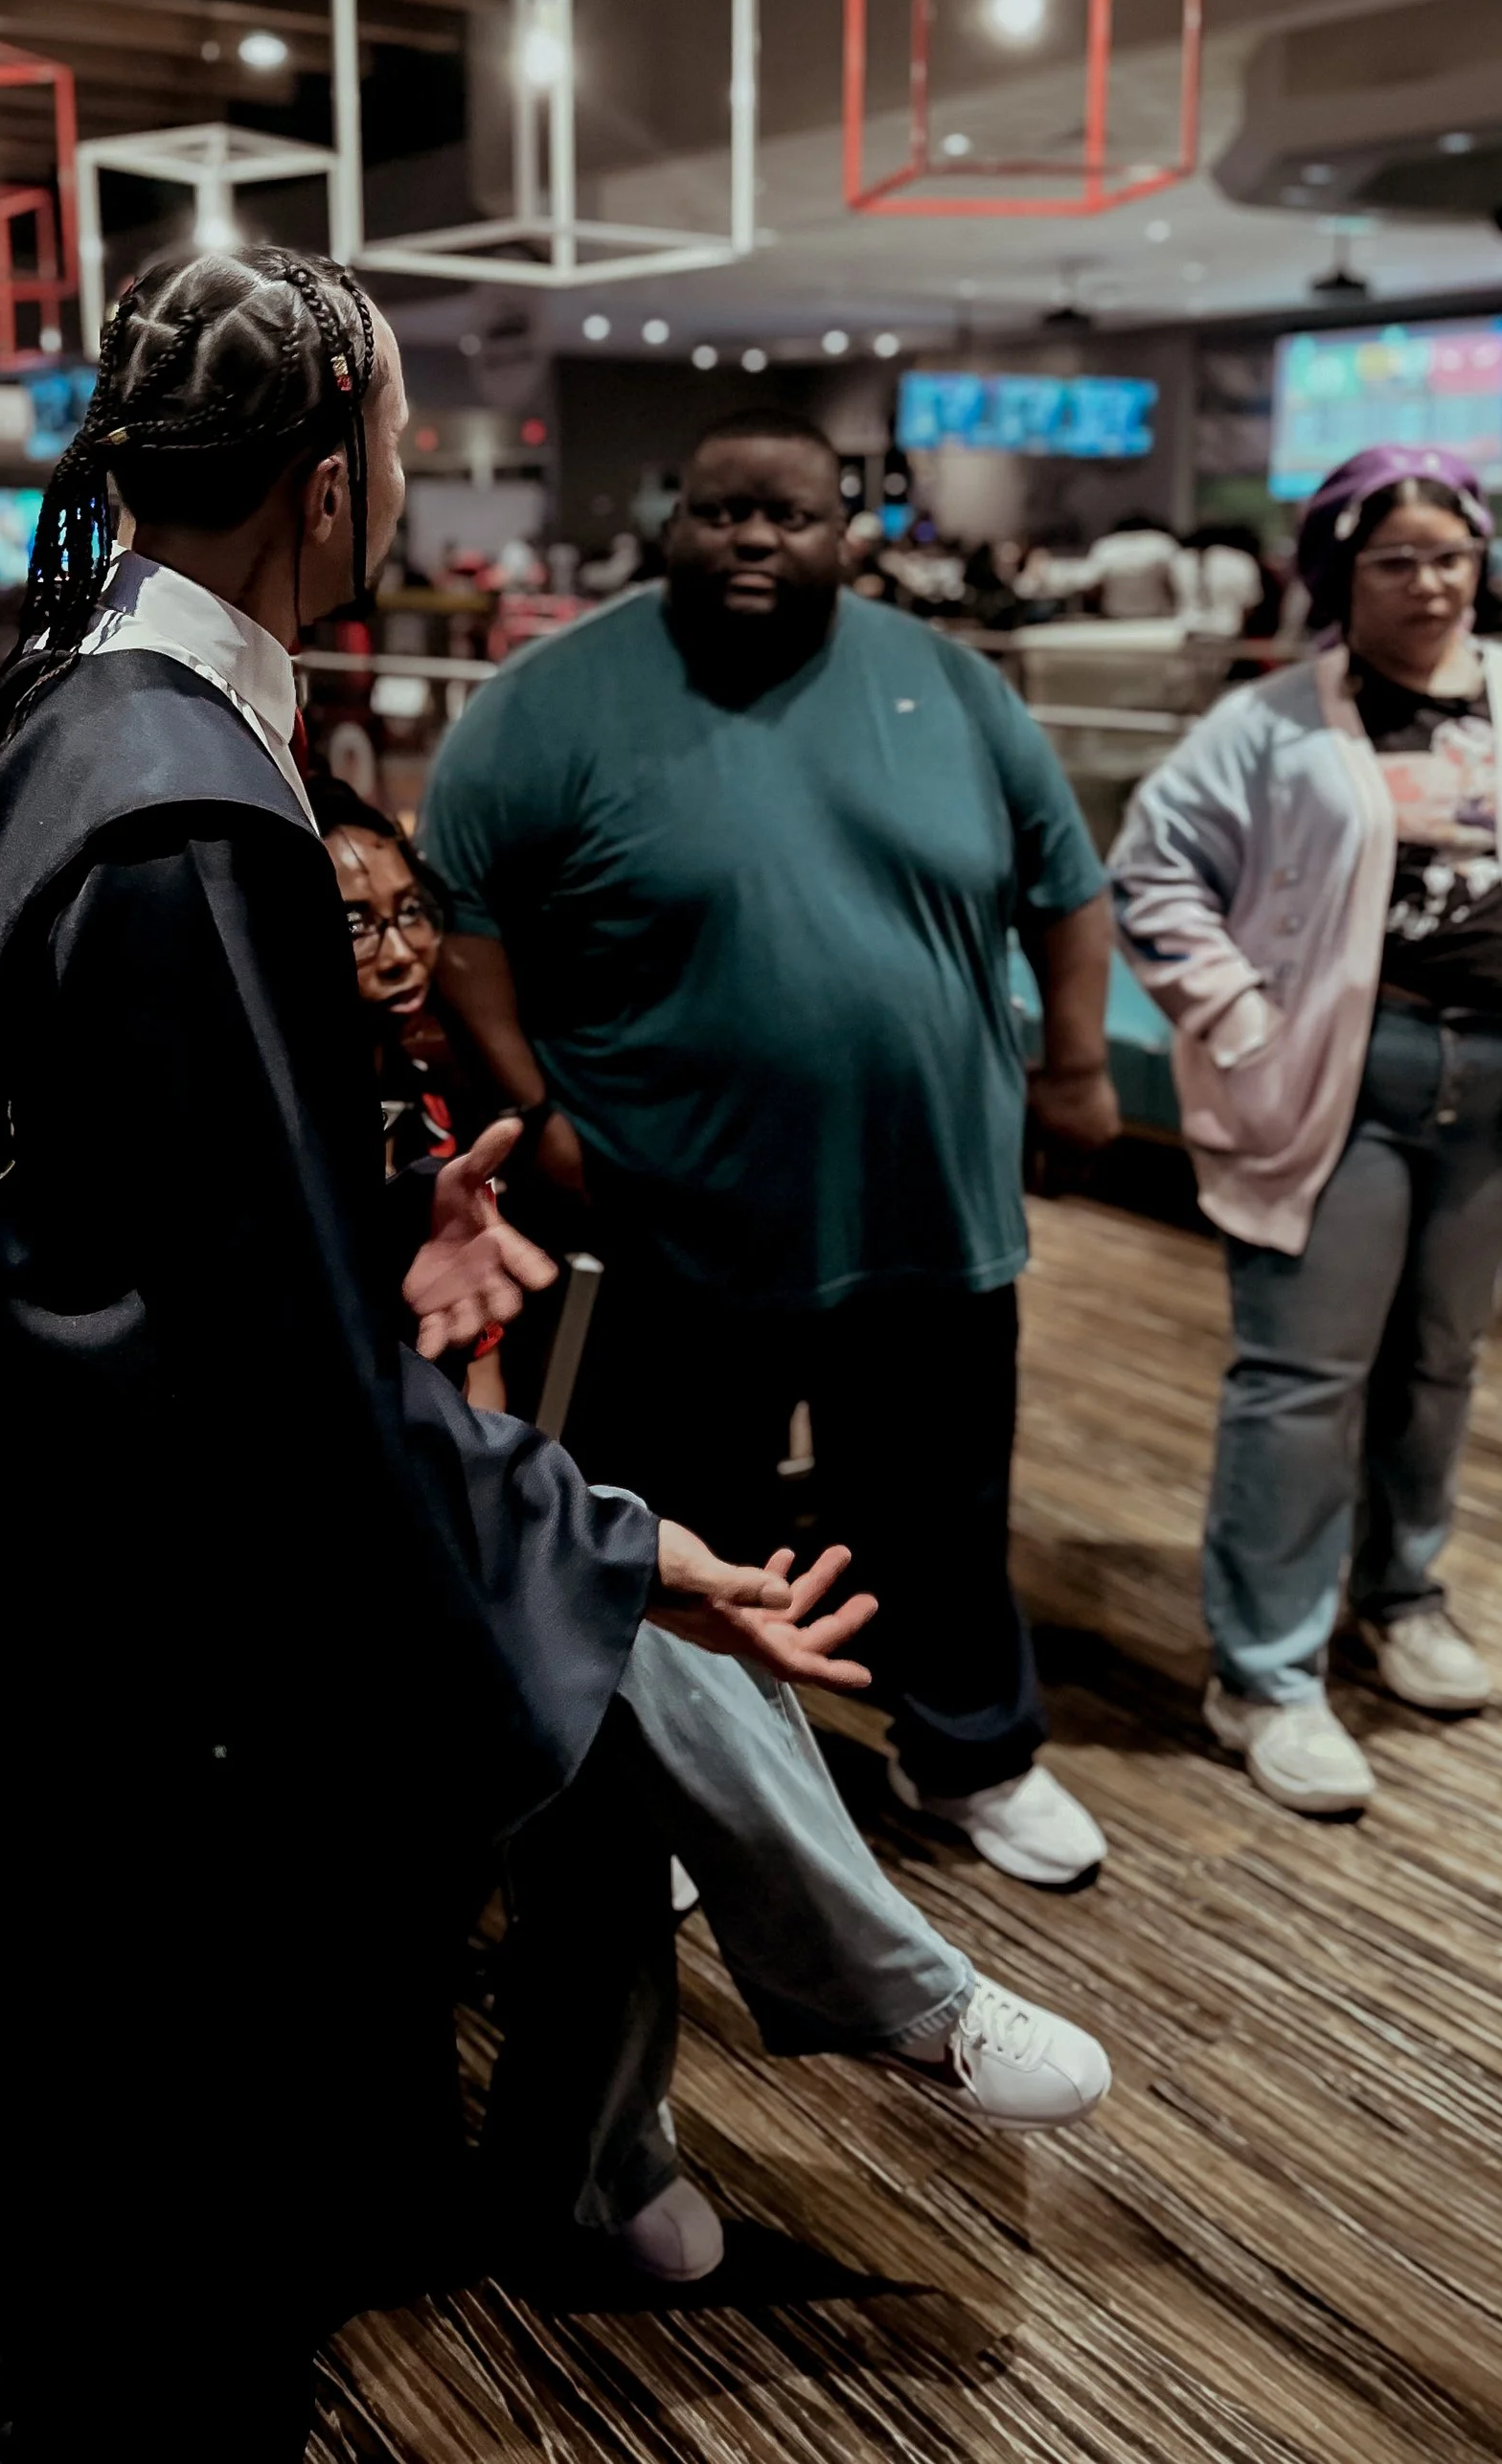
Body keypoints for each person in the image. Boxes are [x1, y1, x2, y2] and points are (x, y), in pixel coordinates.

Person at [0, 257, 892, 2453]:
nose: (398, 481)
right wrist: (613, 1543)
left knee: (58, 2228)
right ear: (326, 486)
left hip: (31, 1565)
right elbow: (279, 1382)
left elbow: (78, 1171)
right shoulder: (192, 800)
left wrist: (366, 1205)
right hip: (140, 1636)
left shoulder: (62, 698)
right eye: (392, 443)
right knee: (129, 2309)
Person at [310, 772, 1113, 2280]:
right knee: (615, 1617)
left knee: (604, 1665)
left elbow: (480, 1432)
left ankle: (594, 2177)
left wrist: (550, 1528)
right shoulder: (277, 1137)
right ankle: (891, 2002)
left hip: (433, 1543)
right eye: (350, 921)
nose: (397, 946)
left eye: (411, 910)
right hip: (300, 1585)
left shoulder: (419, 1118)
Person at [421, 408, 1121, 1890]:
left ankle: (967, 1753)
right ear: (675, 520)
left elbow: (1066, 886)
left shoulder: (949, 685)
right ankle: (687, 1789)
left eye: (788, 516)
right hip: (673, 1200)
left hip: (925, 1200)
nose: (753, 539)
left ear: (842, 533)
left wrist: (1073, 1066)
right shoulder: (552, 698)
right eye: (722, 511)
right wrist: (531, 1104)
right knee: (684, 1514)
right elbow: (461, 910)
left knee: (934, 1503)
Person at [1109, 443, 1502, 1817]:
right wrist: (1242, 1021)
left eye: (1452, 557)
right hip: (1343, 1085)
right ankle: (1265, 1672)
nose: (1430, 584)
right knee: (1302, 1376)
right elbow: (1153, 867)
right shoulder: (1270, 722)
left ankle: (1399, 1598)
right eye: (1395, 561)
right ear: (1337, 575)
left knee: (1442, 1361)